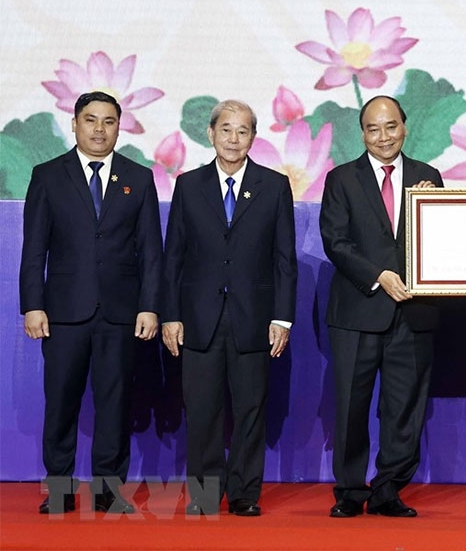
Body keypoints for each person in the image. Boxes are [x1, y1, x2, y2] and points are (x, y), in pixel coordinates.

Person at [19, 91, 162, 514]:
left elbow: (151, 250)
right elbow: (34, 250)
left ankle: (108, 490)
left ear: (120, 126)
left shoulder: (140, 176)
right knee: (61, 401)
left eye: (109, 122)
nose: (100, 130)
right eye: (91, 120)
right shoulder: (47, 175)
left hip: (121, 313)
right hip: (62, 312)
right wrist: (33, 304)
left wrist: (149, 306)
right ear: (75, 123)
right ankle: (60, 489)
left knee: (115, 403)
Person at [161, 99, 297, 517]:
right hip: (198, 318)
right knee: (201, 410)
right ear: (211, 134)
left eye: (242, 131)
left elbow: (284, 259)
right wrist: (170, 314)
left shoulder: (274, 185)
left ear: (253, 137)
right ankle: (203, 494)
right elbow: (174, 257)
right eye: (226, 130)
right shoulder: (188, 184)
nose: (233, 139)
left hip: (254, 319)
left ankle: (243, 494)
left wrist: (281, 316)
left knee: (250, 410)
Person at [320, 95, 443, 518]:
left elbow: (439, 244)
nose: (383, 136)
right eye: (373, 129)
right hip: (358, 311)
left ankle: (389, 490)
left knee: (404, 409)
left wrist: (432, 207)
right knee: (351, 408)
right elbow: (336, 242)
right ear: (362, 133)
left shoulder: (429, 177)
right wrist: (378, 276)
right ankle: (350, 492)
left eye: (391, 126)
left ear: (405, 128)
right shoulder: (341, 178)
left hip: (414, 314)